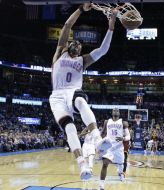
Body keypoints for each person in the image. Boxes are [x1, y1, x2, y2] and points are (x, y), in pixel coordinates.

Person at [49, 3, 118, 180]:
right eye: (74, 43)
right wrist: (80, 9)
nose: (77, 45)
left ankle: (96, 137)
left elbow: (103, 50)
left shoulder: (83, 60)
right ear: (69, 45)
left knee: (80, 101)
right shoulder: (59, 53)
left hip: (73, 91)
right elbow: (67, 26)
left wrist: (111, 24)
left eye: (80, 46)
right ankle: (82, 166)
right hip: (56, 96)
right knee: (70, 129)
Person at [99, 108, 130, 190]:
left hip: (119, 147)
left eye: (117, 110)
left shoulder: (123, 122)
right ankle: (101, 185)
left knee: (120, 165)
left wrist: (123, 138)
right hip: (109, 147)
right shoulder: (107, 121)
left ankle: (120, 173)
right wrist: (99, 141)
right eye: (114, 110)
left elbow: (128, 136)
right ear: (112, 112)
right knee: (105, 164)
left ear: (119, 113)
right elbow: (102, 132)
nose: (115, 111)